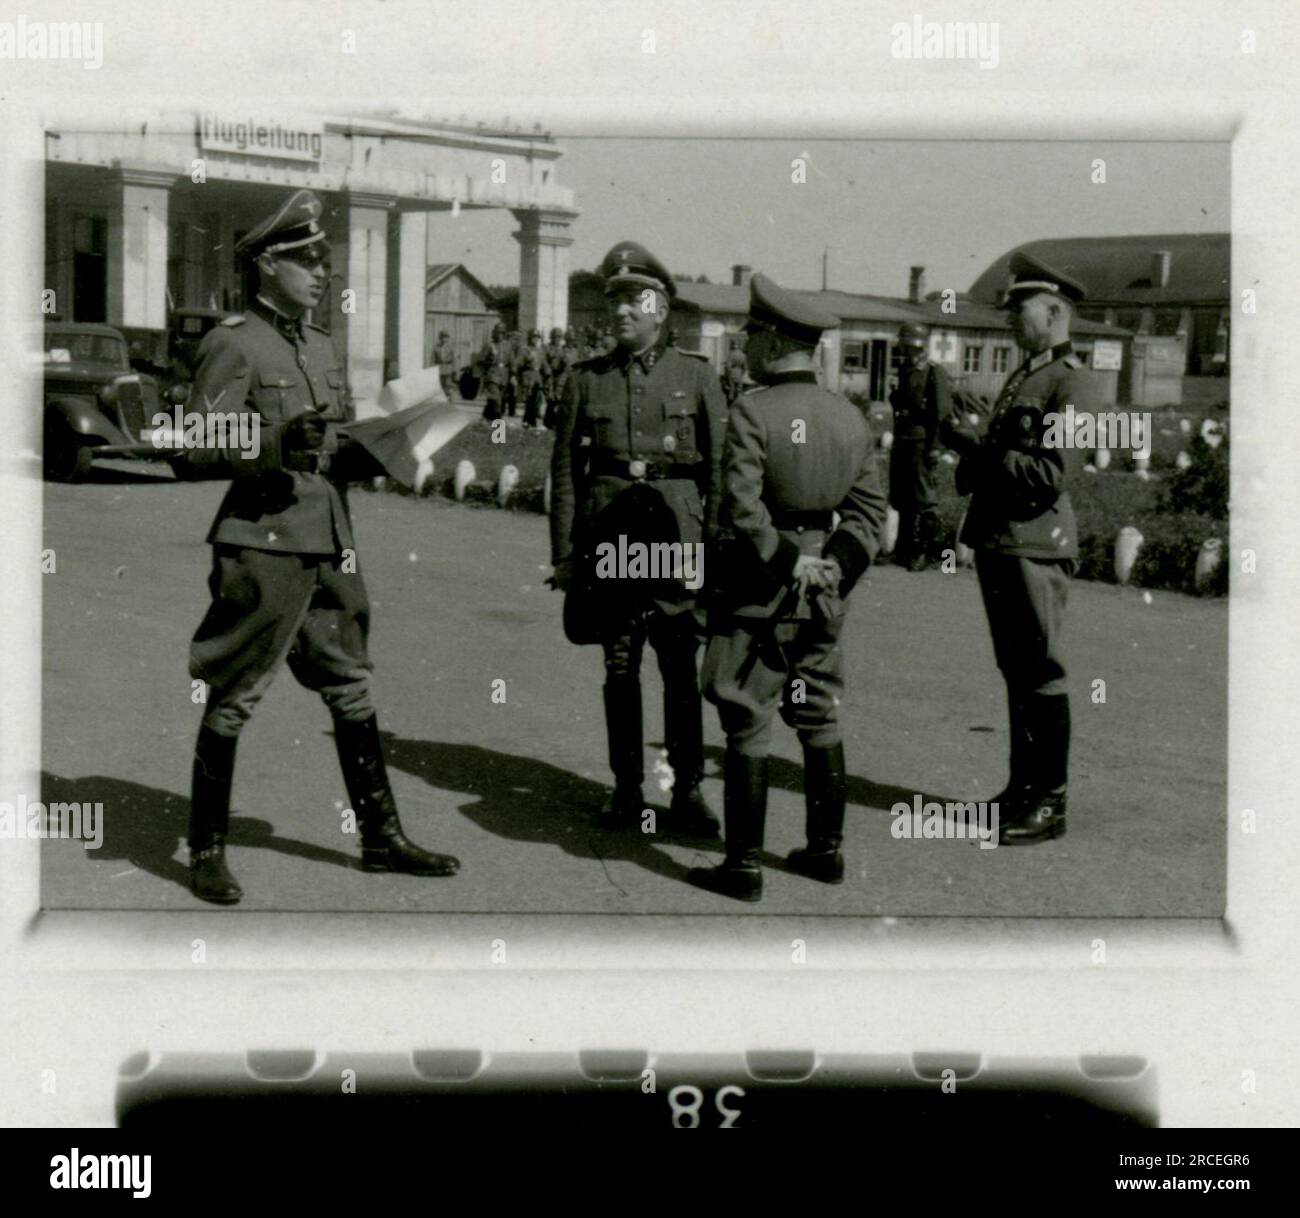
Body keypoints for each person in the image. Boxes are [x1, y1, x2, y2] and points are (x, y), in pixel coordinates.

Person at [174, 190, 459, 904]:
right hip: (262, 545)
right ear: (266, 265)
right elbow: (190, 449)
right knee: (236, 691)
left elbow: (327, 448)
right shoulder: (234, 341)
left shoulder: (323, 344)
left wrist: (393, 441)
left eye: (323, 259)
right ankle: (206, 847)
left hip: (330, 540)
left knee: (352, 685)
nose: (320, 271)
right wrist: (272, 444)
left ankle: (381, 838)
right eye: (306, 259)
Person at [687, 274, 886, 902]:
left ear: (775, 341)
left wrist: (784, 559)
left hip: (759, 590)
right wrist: (831, 568)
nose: (746, 347)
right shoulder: (849, 417)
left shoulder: (752, 410)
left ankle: (743, 865)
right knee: (819, 714)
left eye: (752, 336)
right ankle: (826, 852)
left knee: (747, 718)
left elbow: (741, 507)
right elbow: (870, 514)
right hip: (823, 595)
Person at [549, 240, 726, 834]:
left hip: (677, 540)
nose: (622, 310)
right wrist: (566, 556)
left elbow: (719, 474)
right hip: (610, 542)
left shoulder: (698, 377)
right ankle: (626, 789)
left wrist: (717, 555)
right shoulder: (586, 381)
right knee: (620, 665)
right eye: (614, 299)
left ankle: (688, 792)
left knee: (680, 667)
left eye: (635, 298)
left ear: (661, 308)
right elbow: (566, 476)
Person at [940, 251, 1094, 845]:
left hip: (1036, 543)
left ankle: (1049, 803)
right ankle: (1020, 793)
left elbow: (1050, 472)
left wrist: (982, 449)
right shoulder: (1027, 374)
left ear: (1054, 311)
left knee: (1041, 673)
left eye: (1018, 308)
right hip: (1006, 540)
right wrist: (972, 446)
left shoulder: (1072, 381)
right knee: (1017, 670)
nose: (1009, 319)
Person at [888, 322, 951, 570]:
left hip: (922, 442)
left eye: (911, 347)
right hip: (903, 440)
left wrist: (934, 447)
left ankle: (923, 552)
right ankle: (902, 551)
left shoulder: (933, 372)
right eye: (904, 346)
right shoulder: (905, 369)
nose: (907, 351)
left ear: (921, 347)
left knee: (924, 500)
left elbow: (940, 413)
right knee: (903, 497)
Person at [477, 323, 512, 421]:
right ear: (494, 333)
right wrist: (489, 359)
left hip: (504, 375)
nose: (500, 335)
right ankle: (498, 427)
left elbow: (511, 360)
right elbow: (480, 360)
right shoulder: (489, 345)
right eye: (498, 333)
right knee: (497, 400)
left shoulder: (508, 346)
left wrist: (514, 374)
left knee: (495, 400)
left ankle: (486, 418)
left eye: (502, 333)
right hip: (492, 375)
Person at [519, 328, 547, 429]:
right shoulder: (525, 349)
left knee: (536, 400)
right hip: (528, 375)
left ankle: (528, 420)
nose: (535, 340)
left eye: (537, 338)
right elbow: (520, 364)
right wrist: (527, 360)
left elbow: (543, 364)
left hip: (537, 376)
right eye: (533, 338)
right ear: (529, 338)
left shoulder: (540, 350)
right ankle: (530, 421)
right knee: (529, 399)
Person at [722, 335, 749, 406]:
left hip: (732, 372)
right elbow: (745, 367)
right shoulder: (743, 355)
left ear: (732, 345)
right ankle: (739, 403)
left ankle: (730, 404)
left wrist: (726, 375)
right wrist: (742, 373)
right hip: (739, 373)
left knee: (731, 389)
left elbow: (728, 366)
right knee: (739, 389)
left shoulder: (731, 354)